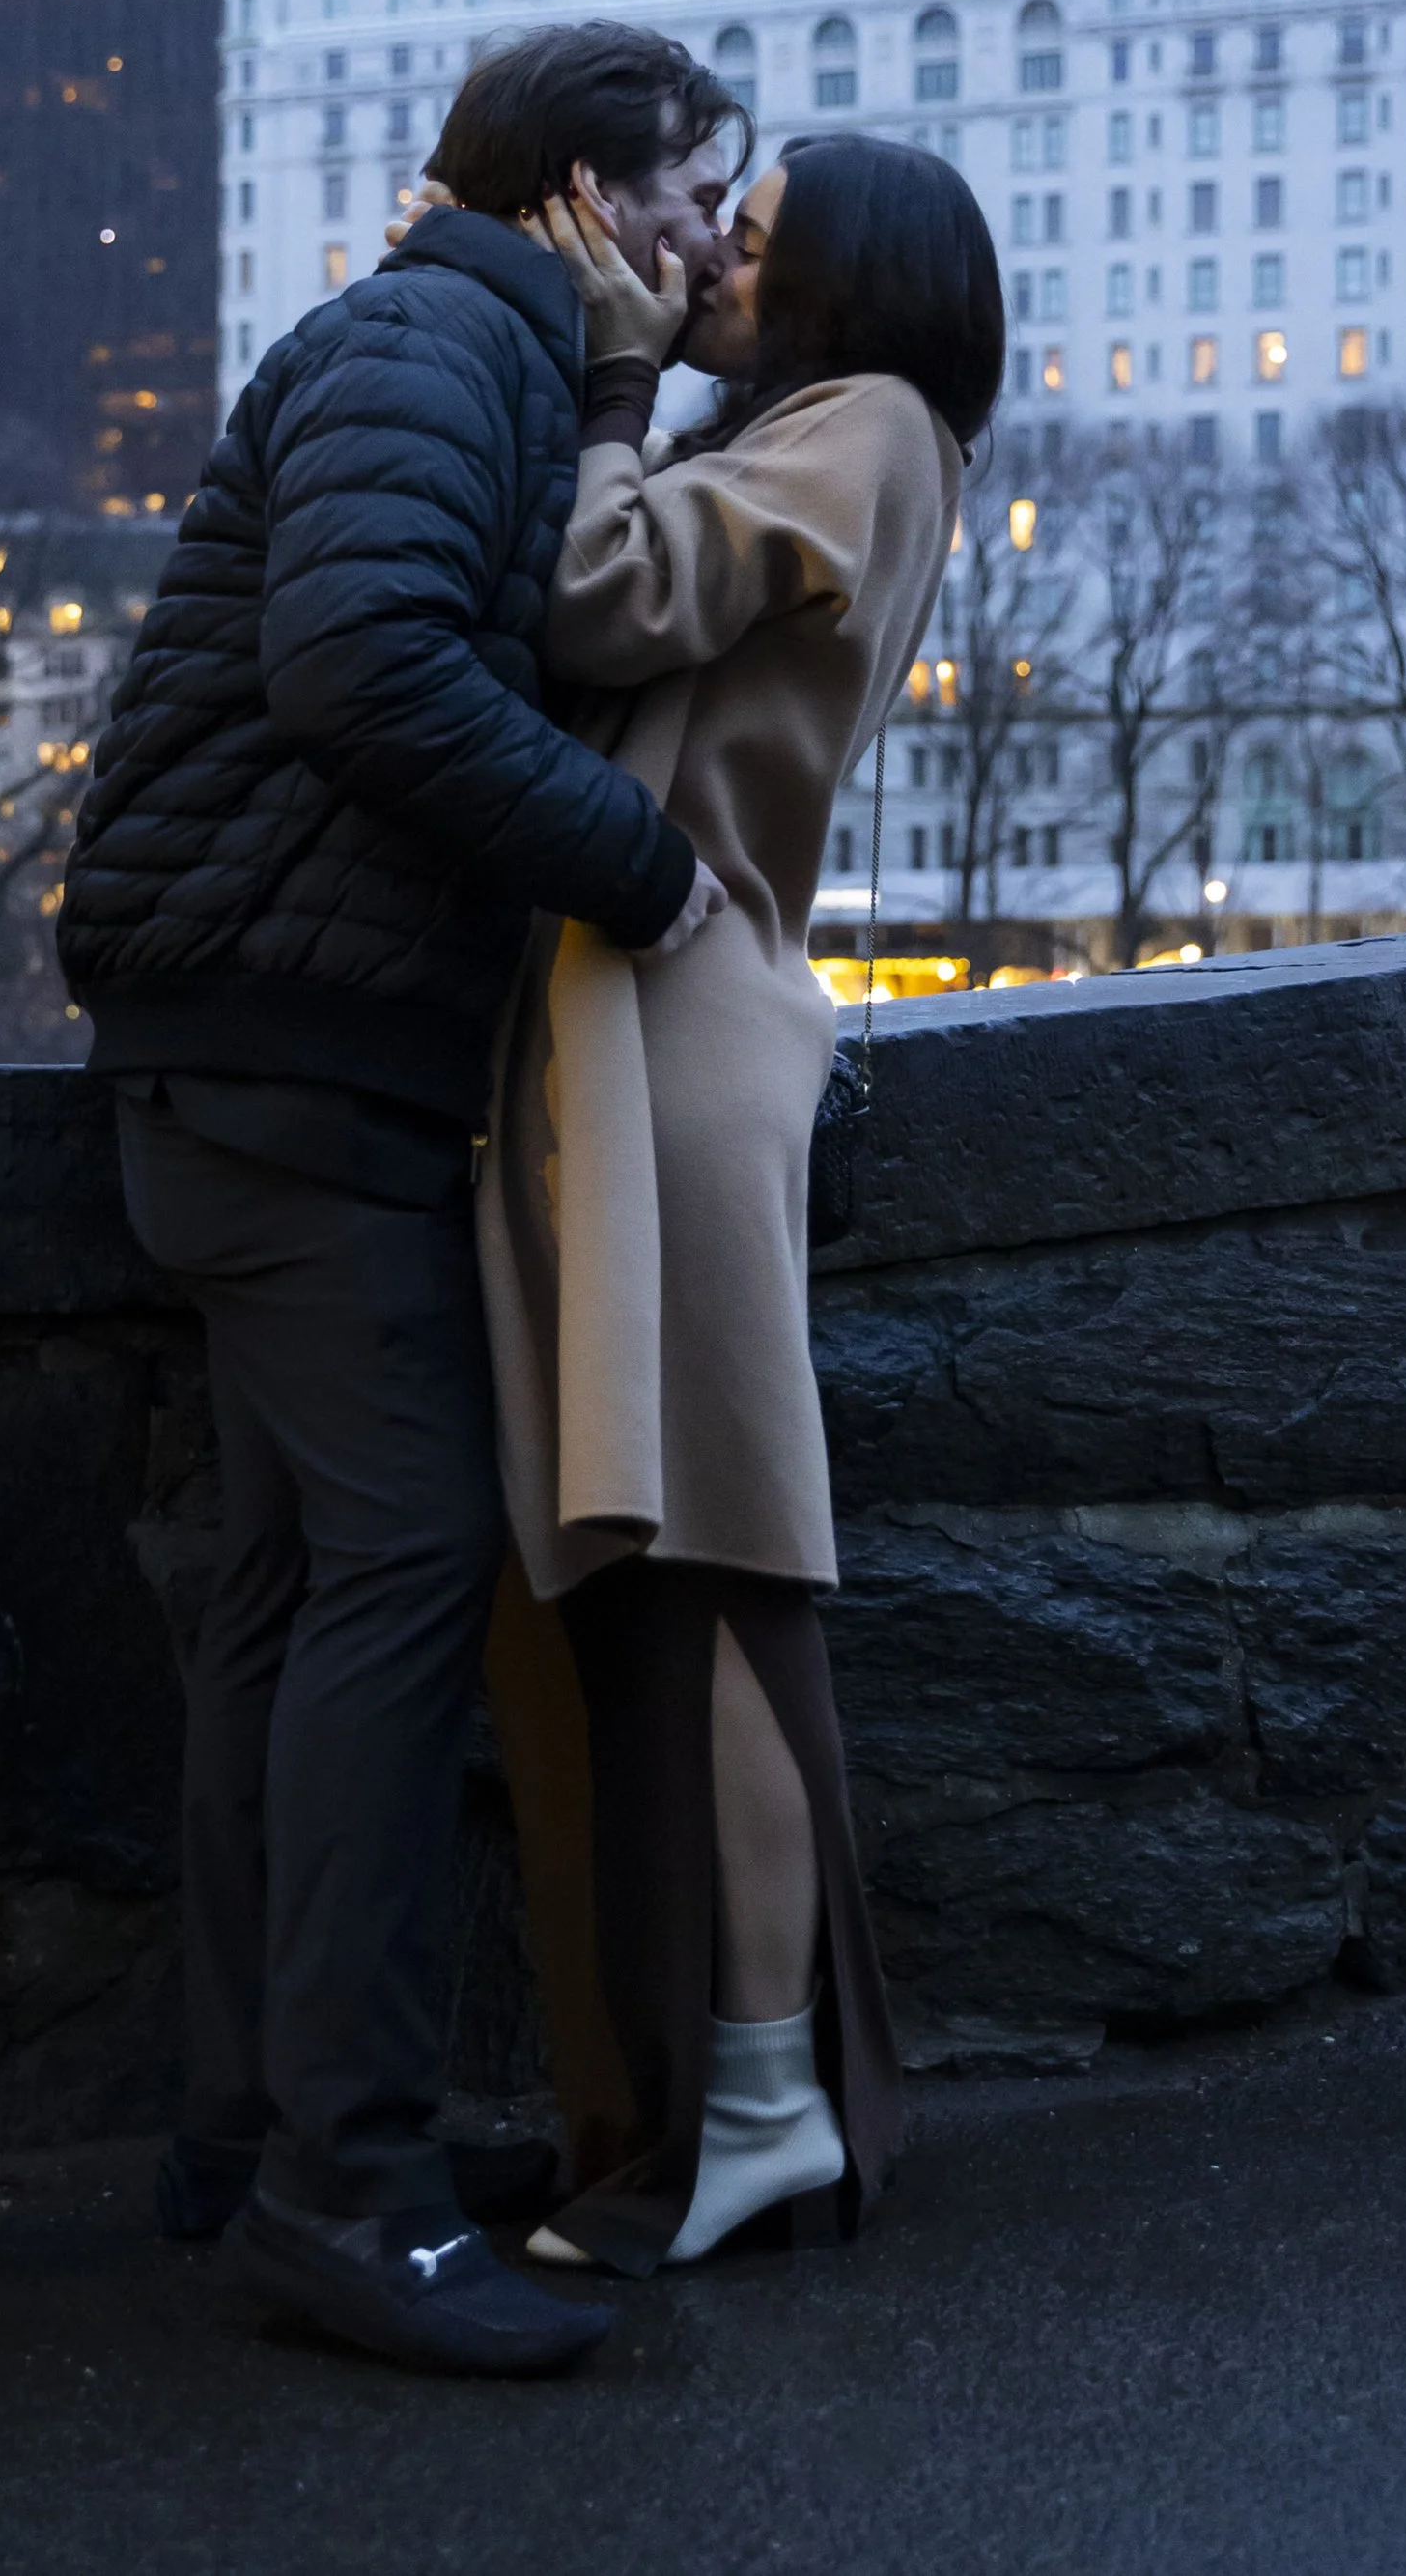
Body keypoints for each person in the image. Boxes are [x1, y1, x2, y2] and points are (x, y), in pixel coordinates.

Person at [56, 23, 741, 2377]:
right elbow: (360, 661)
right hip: (287, 1063)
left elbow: (502, 610)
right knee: (388, 1586)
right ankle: (342, 2195)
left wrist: (618, 402)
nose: (694, 249)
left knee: (279, 1601)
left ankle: (246, 2142)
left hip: (243, 1056)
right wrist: (648, 874)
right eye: (673, 202)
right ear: (569, 194)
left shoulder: (472, 349)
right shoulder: (429, 334)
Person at [477, 132, 1005, 2278]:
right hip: (643, 1025)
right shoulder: (827, 430)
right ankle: (727, 2101)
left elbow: (598, 593)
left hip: (677, 1036)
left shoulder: (868, 427)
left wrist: (604, 388)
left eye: (753, 251)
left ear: (845, 288)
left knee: (711, 1581)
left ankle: (770, 2103)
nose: (707, 272)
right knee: (664, 1577)